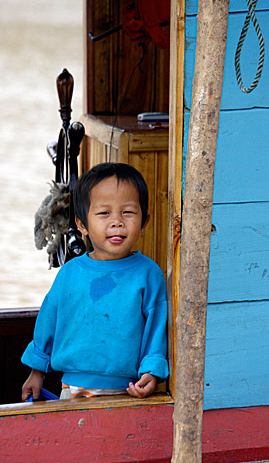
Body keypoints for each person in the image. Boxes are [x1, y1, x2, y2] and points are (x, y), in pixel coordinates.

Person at [21, 162, 169, 401]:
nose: (117, 222)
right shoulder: (70, 273)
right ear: (82, 225)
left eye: (128, 212)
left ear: (144, 221)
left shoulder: (148, 274)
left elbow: (156, 328)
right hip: (72, 389)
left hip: (128, 390)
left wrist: (152, 371)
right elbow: (48, 320)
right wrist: (36, 372)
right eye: (104, 213)